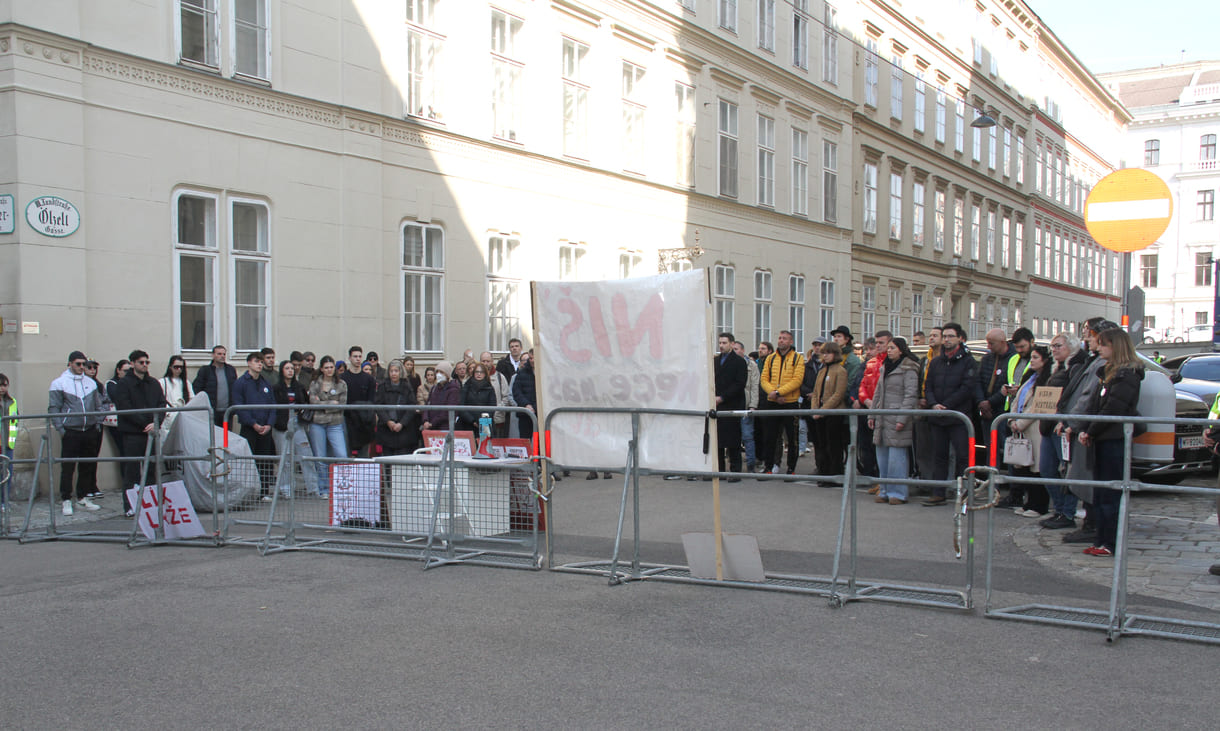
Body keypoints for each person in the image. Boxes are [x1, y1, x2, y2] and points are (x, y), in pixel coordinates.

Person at [1078, 328, 1143, 558]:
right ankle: (1102, 539)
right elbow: (1094, 405)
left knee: (1111, 494)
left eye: (1103, 344)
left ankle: (1110, 541)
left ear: (1116, 346)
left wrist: (1091, 431)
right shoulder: (1107, 372)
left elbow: (1113, 408)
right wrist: (1086, 428)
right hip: (1102, 437)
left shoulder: (1127, 375)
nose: (1099, 348)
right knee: (1102, 493)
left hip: (1113, 439)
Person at [921, 323, 980, 506]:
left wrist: (947, 405)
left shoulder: (968, 361)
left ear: (960, 338)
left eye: (950, 336)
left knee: (963, 456)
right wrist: (933, 404)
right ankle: (938, 492)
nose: (946, 340)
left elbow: (967, 388)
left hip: (958, 416)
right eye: (945, 336)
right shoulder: (936, 362)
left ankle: (964, 493)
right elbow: (928, 386)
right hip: (938, 416)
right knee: (939, 456)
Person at [49, 351, 106, 515]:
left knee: (87, 466)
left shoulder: (91, 383)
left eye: (84, 364)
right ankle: (66, 499)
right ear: (70, 364)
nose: (82, 367)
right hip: (71, 431)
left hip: (89, 430)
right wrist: (61, 429)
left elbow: (99, 405)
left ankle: (82, 497)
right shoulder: (59, 383)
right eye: (78, 364)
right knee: (68, 467)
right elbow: (54, 408)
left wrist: (97, 423)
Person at [1040, 332, 1087, 530]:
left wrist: (1065, 419)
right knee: (1046, 469)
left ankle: (1067, 512)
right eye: (1052, 346)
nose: (1054, 350)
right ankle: (1059, 509)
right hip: (1049, 423)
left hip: (1063, 425)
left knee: (1066, 469)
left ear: (1071, 346)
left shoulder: (1076, 367)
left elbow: (1073, 397)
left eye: (1058, 346)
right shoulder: (1056, 367)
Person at [112, 350, 167, 517]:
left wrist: (156, 423)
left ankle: (151, 504)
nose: (144, 365)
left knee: (151, 470)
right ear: (133, 363)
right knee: (131, 470)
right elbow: (125, 407)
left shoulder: (153, 383)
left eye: (146, 362)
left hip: (151, 432)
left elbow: (162, 404)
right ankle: (129, 506)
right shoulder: (124, 383)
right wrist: (145, 424)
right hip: (133, 433)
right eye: (141, 362)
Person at [869, 337, 920, 504]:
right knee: (882, 457)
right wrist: (872, 414)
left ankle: (898, 493)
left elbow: (910, 394)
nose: (889, 351)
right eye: (888, 348)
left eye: (892, 348)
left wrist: (902, 418)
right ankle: (884, 490)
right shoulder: (885, 366)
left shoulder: (909, 368)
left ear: (901, 350)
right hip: (883, 415)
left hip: (897, 415)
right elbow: (878, 393)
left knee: (897, 459)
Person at [1007, 344, 1052, 517]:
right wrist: (1011, 419)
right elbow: (1017, 399)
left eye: (1035, 358)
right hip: (1021, 428)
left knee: (1037, 468)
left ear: (1045, 361)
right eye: (1031, 357)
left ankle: (1039, 505)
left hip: (1034, 428)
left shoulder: (1047, 379)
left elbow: (1037, 406)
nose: (1031, 361)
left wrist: (1021, 423)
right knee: (1024, 466)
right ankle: (1028, 503)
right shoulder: (1030, 377)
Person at [758, 330, 805, 476]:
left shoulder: (797, 358)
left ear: (791, 341)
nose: (781, 340)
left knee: (792, 437)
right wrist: (773, 393)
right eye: (779, 338)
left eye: (784, 338)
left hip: (790, 402)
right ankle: (768, 466)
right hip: (773, 402)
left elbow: (797, 380)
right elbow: (764, 379)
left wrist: (779, 392)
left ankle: (791, 468)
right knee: (770, 436)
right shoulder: (771, 358)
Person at [232, 352, 277, 501]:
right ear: (249, 363)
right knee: (249, 459)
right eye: (256, 361)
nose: (260, 364)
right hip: (250, 428)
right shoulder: (241, 383)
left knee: (265, 460)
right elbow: (239, 406)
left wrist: (269, 424)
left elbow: (273, 405)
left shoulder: (265, 383)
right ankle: (249, 491)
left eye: (261, 362)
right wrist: (253, 423)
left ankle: (264, 491)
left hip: (265, 428)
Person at [272, 359, 314, 498]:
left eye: (292, 368)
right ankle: (286, 489)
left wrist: (302, 415)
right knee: (286, 458)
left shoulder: (299, 387)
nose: (290, 371)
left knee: (306, 454)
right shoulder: (276, 388)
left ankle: (313, 488)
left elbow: (306, 403)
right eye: (287, 368)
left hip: (297, 422)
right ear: (282, 371)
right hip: (282, 425)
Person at [306, 356, 347, 497]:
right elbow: (313, 402)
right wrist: (332, 403)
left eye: (331, 367)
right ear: (322, 369)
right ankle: (324, 489)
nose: (329, 370)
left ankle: (342, 487)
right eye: (326, 367)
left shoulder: (341, 384)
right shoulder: (315, 384)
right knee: (320, 457)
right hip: (317, 423)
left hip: (335, 423)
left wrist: (322, 404)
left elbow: (342, 404)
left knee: (341, 455)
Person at [809, 342, 849, 480]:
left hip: (833, 413)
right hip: (819, 413)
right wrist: (814, 409)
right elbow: (816, 393)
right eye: (823, 353)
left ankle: (834, 474)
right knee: (821, 444)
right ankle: (823, 473)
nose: (825, 356)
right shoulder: (822, 371)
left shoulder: (840, 371)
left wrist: (823, 410)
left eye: (828, 353)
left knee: (834, 445)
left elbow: (838, 394)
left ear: (835, 354)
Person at [713, 333, 747, 481]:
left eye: (724, 343)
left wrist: (722, 397)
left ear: (732, 344)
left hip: (732, 403)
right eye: (720, 343)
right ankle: (719, 471)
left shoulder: (739, 362)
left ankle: (735, 472)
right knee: (718, 440)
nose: (721, 345)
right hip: (716, 404)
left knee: (733, 441)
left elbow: (740, 384)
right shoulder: (715, 361)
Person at [913, 326, 943, 484]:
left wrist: (932, 401)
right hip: (924, 407)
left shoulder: (945, 358)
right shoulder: (925, 359)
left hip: (939, 407)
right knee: (923, 448)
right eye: (930, 335)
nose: (931, 338)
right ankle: (925, 480)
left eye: (935, 335)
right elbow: (920, 380)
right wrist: (920, 397)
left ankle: (941, 483)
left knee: (941, 450)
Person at [375, 360, 420, 457]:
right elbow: (378, 406)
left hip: (404, 430)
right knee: (387, 459)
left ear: (400, 372)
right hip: (387, 428)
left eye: (396, 371)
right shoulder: (382, 386)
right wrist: (388, 421)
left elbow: (412, 406)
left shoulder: (407, 387)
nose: (393, 374)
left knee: (402, 460)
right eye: (391, 371)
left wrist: (402, 423)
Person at [341, 347, 376, 458]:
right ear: (349, 358)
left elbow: (371, 400)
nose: (358, 359)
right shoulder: (342, 378)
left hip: (364, 419)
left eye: (360, 356)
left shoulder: (369, 379)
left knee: (364, 454)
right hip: (347, 418)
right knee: (346, 451)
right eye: (355, 356)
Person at [192, 345, 238, 428]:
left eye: (224, 354)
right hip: (212, 412)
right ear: (213, 355)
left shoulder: (230, 370)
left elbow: (235, 389)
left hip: (227, 412)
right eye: (219, 354)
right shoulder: (205, 370)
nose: (222, 356)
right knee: (213, 434)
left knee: (225, 435)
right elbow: (197, 389)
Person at [104, 360, 131, 490]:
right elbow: (118, 398)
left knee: (131, 452)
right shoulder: (111, 383)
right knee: (123, 451)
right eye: (125, 370)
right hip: (117, 423)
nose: (127, 373)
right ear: (118, 370)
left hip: (130, 421)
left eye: (129, 371)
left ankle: (132, 480)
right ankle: (126, 481)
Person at [734, 341, 760, 472]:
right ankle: (735, 465)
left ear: (743, 350)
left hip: (746, 405)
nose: (734, 351)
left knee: (747, 436)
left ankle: (750, 464)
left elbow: (755, 386)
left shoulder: (752, 365)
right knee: (733, 438)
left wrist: (753, 405)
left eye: (736, 349)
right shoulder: (730, 364)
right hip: (733, 405)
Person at [423, 361, 462, 434]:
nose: (438, 374)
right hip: (431, 428)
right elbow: (427, 405)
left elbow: (447, 411)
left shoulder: (453, 389)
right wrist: (425, 420)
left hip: (444, 428)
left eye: (441, 372)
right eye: (437, 372)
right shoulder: (434, 388)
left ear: (447, 374)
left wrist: (432, 423)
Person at [158, 354, 195, 431]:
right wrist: (167, 413)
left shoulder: (186, 383)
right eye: (176, 367)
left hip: (183, 417)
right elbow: (160, 400)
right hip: (168, 417)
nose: (179, 370)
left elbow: (192, 400)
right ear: (170, 367)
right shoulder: (163, 382)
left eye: (181, 367)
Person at [459, 362, 498, 433]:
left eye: (481, 372)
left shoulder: (490, 388)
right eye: (477, 372)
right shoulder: (466, 387)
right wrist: (472, 421)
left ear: (485, 374)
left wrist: (483, 421)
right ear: (473, 373)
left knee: (484, 440)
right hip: (467, 424)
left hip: (485, 424)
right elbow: (461, 406)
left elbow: (492, 407)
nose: (479, 374)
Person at [480, 352, 512, 438]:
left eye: (488, 361)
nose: (485, 363)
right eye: (483, 361)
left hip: (497, 420)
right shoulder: (475, 378)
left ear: (492, 361)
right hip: (481, 419)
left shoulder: (500, 377)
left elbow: (506, 397)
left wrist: (498, 410)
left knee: (497, 444)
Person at [510, 353, 538, 440]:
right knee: (525, 440)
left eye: (534, 358)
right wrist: (526, 405)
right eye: (531, 358)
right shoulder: (522, 373)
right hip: (524, 413)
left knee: (540, 442)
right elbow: (516, 392)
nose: (532, 360)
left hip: (540, 413)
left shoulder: (544, 372)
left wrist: (535, 407)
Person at [0, 373, 15, 511]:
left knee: (7, 474)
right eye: (0, 385)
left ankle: (4, 501)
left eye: (5, 385)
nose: (2, 388)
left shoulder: (12, 402)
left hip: (8, 444)